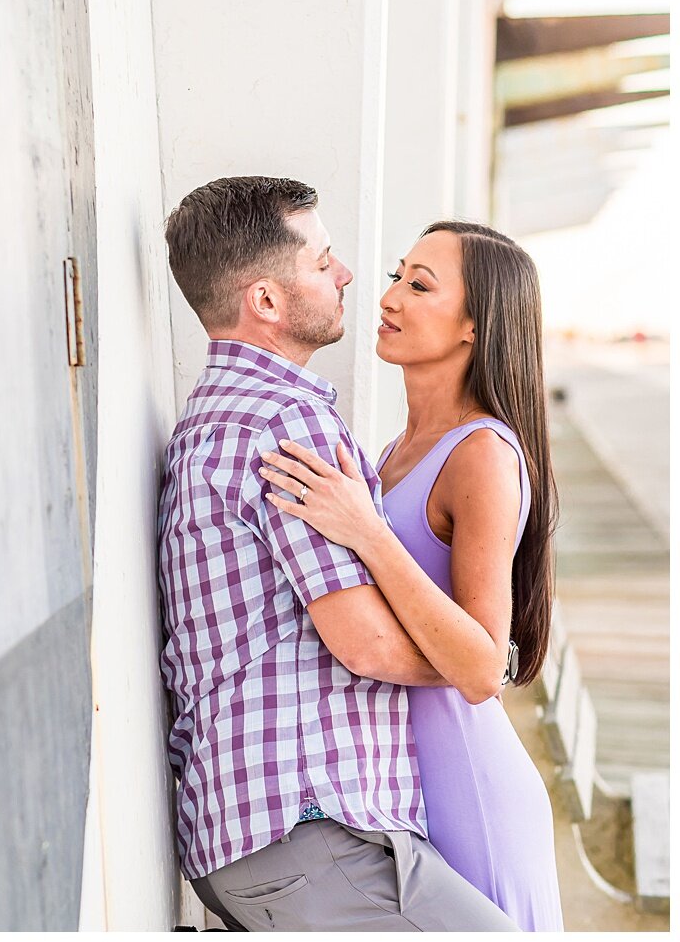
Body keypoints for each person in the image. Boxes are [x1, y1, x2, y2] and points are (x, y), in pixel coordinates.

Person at [157, 176, 516, 930]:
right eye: (324, 262)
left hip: (256, 832)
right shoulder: (289, 420)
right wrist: (476, 662)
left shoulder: (210, 415)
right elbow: (368, 642)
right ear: (266, 300)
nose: (352, 277)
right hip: (312, 828)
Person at [255, 220, 562, 929]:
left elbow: (483, 667)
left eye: (420, 285)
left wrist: (366, 529)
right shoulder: (394, 451)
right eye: (398, 274)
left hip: (470, 791)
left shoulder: (482, 454)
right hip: (394, 788)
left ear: (473, 329)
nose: (389, 296)